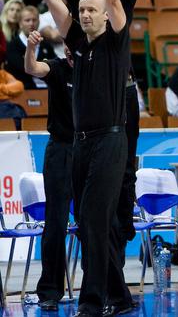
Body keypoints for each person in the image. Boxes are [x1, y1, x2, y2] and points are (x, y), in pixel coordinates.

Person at [21, 0, 145, 315]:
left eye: (92, 10)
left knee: (96, 219)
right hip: (79, 143)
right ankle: (121, 297)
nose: (86, 13)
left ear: (106, 16)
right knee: (89, 224)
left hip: (111, 139)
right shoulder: (75, 42)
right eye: (83, 11)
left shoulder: (115, 39)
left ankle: (92, 303)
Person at [23, 30, 73, 312]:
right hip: (61, 150)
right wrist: (31, 48)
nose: (68, 49)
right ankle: (50, 290)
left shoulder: (99, 68)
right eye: (65, 44)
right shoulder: (56, 68)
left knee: (96, 224)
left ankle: (100, 287)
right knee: (55, 223)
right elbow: (32, 67)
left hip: (92, 150)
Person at [5, 6, 57, 89]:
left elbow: (55, 66)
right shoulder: (12, 46)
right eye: (27, 20)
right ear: (20, 23)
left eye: (34, 20)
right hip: (20, 91)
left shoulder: (46, 45)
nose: (31, 23)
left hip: (46, 91)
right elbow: (22, 69)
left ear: (39, 22)